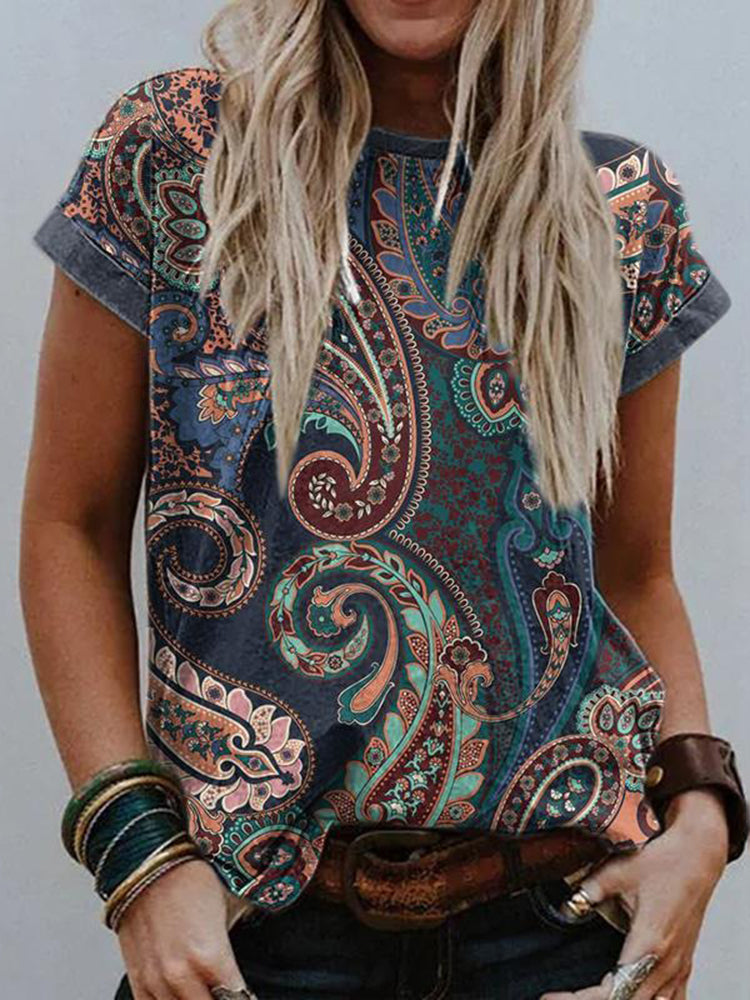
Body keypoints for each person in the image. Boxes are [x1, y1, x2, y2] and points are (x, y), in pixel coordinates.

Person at [20, 1, 748, 999]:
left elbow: (635, 573)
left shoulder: (618, 208)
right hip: (254, 935)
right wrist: (138, 858)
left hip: (556, 925)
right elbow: (72, 528)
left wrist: (704, 811)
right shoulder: (177, 155)